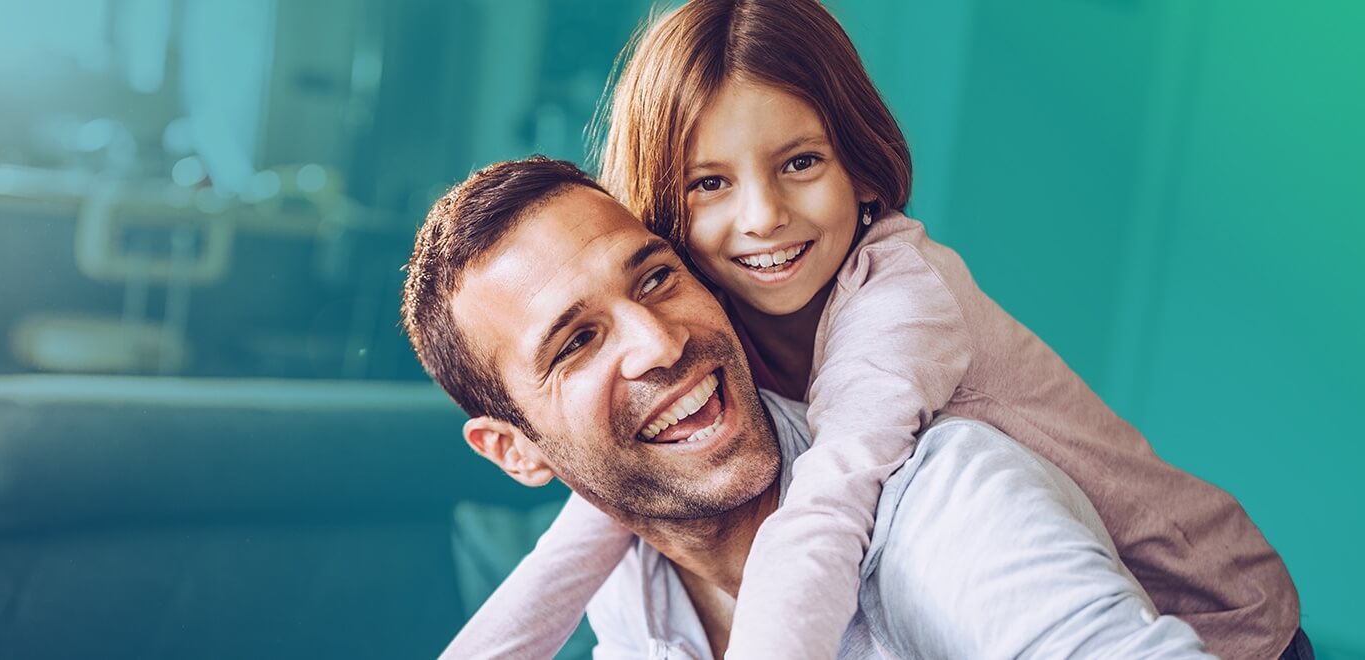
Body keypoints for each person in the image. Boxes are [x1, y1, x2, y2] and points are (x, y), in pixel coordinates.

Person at [439, 1, 1303, 658]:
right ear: (667, 212)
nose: (763, 218)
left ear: (860, 168)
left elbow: (827, 508)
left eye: (800, 163)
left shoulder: (900, 301)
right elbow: (598, 515)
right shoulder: (697, 330)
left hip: (1222, 613)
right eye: (710, 185)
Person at [401, 157, 1213, 657]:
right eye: (577, 342)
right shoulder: (633, 579)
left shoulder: (948, 507)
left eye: (654, 277)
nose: (658, 342)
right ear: (518, 451)